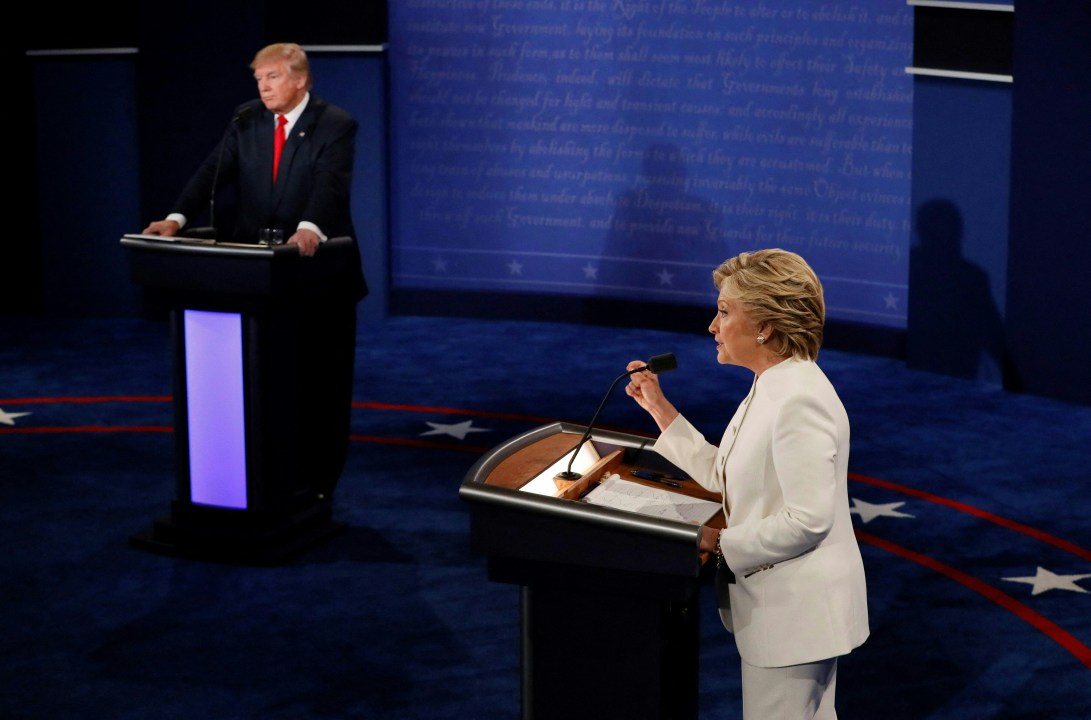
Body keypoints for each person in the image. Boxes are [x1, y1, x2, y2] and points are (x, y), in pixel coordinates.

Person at [625, 248, 869, 719]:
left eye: (724, 312)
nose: (712, 326)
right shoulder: (772, 383)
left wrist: (721, 543)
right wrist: (659, 408)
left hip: (798, 616)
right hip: (791, 612)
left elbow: (809, 519)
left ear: (765, 327)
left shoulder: (798, 400)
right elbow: (728, 473)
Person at [144, 42, 367, 499]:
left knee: (320, 383)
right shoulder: (246, 120)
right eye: (259, 79)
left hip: (318, 275)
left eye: (272, 78)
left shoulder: (335, 124)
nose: (263, 87)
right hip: (254, 277)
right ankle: (265, 473)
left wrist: (309, 227)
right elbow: (212, 173)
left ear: (300, 80)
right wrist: (176, 218)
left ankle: (319, 482)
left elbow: (330, 183)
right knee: (267, 384)